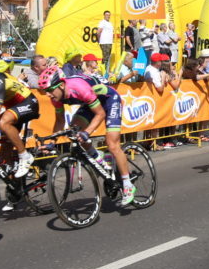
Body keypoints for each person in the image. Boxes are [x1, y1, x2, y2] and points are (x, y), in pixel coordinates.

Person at [38, 66, 137, 206]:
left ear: (60, 85)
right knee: (74, 131)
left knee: (112, 144)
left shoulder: (78, 87)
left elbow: (100, 114)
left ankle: (128, 185)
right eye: (45, 91)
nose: (47, 95)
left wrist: (87, 132)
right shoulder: (56, 97)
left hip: (110, 99)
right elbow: (60, 120)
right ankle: (98, 156)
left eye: (49, 90)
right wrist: (52, 142)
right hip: (91, 102)